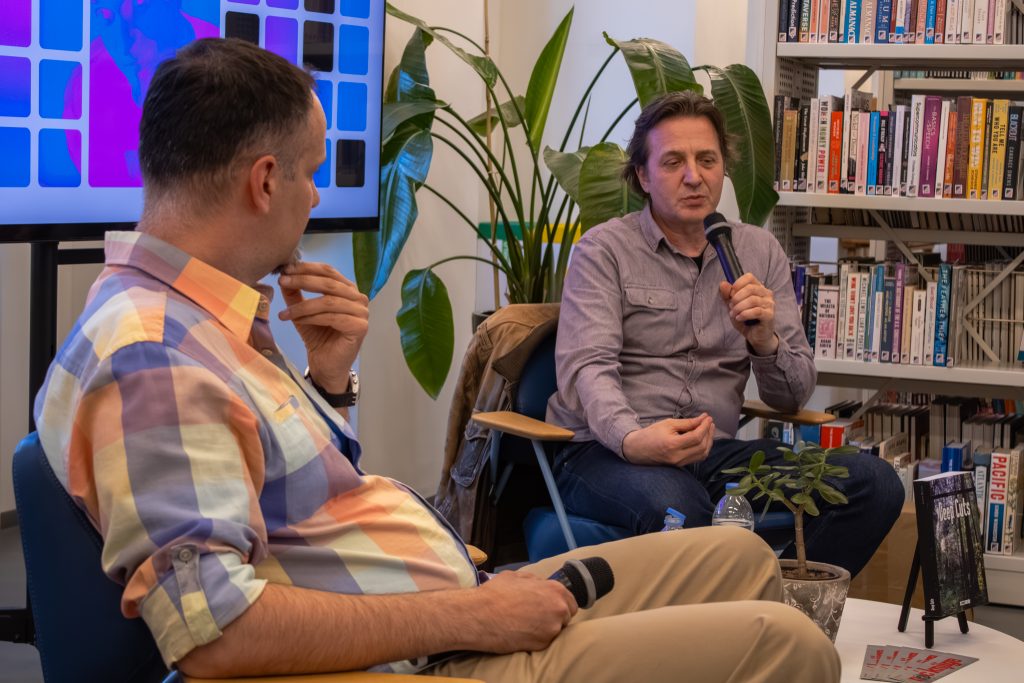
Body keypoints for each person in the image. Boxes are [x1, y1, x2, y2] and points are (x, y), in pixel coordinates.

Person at [34, 39, 840, 682]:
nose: (316, 196)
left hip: (447, 609)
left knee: (739, 553)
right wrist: (470, 617)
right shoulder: (153, 354)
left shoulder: (201, 319)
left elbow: (290, 512)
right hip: (426, 650)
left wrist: (328, 383)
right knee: (788, 643)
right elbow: (215, 631)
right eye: (312, 174)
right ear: (265, 180)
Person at [547, 90, 904, 578]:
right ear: (643, 176)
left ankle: (782, 610)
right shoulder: (603, 250)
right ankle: (733, 618)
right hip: (606, 452)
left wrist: (764, 341)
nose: (694, 176)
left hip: (713, 454)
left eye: (707, 160)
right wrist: (633, 439)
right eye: (673, 162)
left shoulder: (758, 251)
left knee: (873, 483)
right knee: (683, 508)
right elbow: (588, 369)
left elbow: (791, 395)